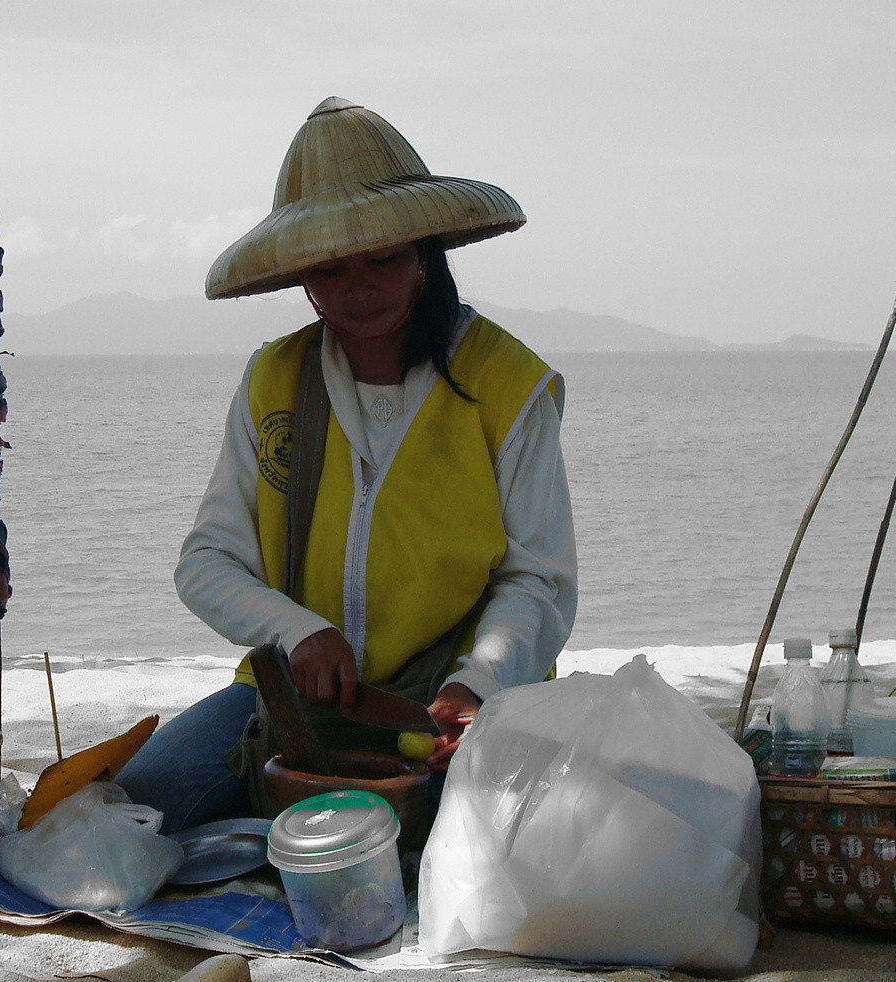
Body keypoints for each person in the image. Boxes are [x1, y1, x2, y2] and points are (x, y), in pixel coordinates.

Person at [115, 97, 576, 833]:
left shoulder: (510, 385)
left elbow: (539, 579)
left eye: (384, 259)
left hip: (458, 703)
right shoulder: (273, 380)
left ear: (425, 252)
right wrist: (298, 633)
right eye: (329, 268)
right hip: (303, 698)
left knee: (516, 837)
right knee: (144, 800)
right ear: (300, 273)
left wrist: (477, 685)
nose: (359, 287)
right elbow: (206, 562)